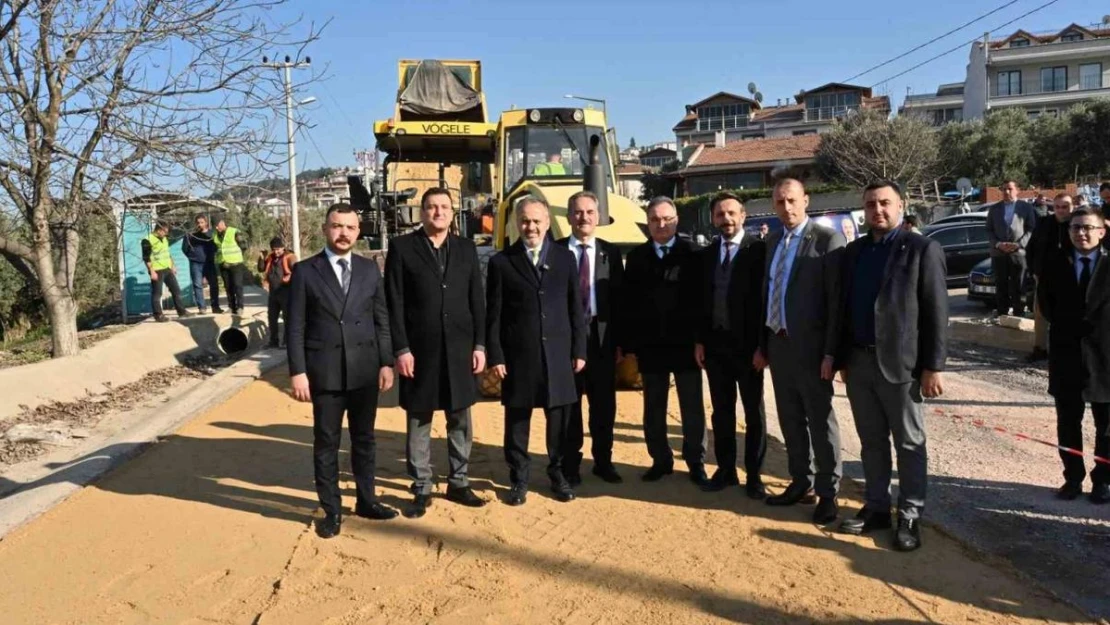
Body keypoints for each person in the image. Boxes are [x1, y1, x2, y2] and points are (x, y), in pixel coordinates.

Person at [835, 180, 948, 552]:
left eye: (885, 203)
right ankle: (878, 507)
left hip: (902, 367)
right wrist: (839, 358)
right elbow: (844, 309)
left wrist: (933, 367)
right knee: (871, 443)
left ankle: (911, 515)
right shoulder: (854, 252)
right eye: (870, 204)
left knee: (910, 443)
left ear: (901, 205)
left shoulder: (922, 249)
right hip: (859, 362)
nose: (877, 210)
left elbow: (936, 313)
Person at [286, 203, 397, 539]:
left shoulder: (368, 269)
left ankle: (366, 500)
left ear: (358, 232)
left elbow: (382, 320)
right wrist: (298, 371)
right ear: (325, 229)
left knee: (364, 440)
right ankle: (332, 510)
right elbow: (295, 326)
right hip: (325, 372)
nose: (343, 233)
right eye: (337, 226)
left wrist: (386, 362)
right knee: (327, 442)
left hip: (364, 370)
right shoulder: (306, 271)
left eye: (350, 227)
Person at [384, 188, 488, 518]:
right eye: (431, 207)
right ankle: (421, 487)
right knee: (419, 419)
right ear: (422, 212)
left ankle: (459, 482)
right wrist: (401, 349)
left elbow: (477, 301)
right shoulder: (402, 248)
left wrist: (480, 345)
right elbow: (394, 303)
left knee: (460, 418)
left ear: (452, 212)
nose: (438, 212)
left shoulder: (466, 248)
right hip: (419, 352)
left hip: (460, 349)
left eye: (444, 207)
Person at [486, 196, 587, 505]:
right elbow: (494, 315)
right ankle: (519, 478)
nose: (531, 226)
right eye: (525, 221)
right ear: (518, 223)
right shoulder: (501, 262)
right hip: (519, 357)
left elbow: (576, 309)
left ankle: (557, 474)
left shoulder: (565, 258)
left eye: (536, 221)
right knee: (518, 422)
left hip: (558, 354)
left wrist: (579, 350)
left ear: (547, 223)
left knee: (559, 421)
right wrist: (496, 355)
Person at [754, 178, 843, 524]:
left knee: (820, 422)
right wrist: (763, 346)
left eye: (792, 200)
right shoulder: (773, 240)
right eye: (779, 202)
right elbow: (767, 294)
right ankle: (800, 481)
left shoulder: (826, 240)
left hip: (813, 349)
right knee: (790, 419)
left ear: (805, 200)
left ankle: (828, 492)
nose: (786, 208)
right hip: (779, 345)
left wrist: (831, 353)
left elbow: (836, 302)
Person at [624, 196, 709, 487]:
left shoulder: (694, 253)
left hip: (686, 345)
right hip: (651, 346)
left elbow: (703, 303)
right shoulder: (636, 258)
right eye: (655, 220)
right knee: (654, 406)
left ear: (676, 220)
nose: (661, 224)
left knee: (692, 406)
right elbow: (630, 305)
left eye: (667, 219)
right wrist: (631, 345)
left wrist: (701, 340)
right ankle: (660, 460)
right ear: (647, 223)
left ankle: (696, 461)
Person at [693, 192, 767, 498]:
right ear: (713, 219)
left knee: (753, 414)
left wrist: (763, 346)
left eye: (732, 213)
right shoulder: (707, 254)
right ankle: (726, 470)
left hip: (749, 349)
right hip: (715, 347)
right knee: (721, 412)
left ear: (743, 216)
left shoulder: (759, 251)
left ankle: (754, 475)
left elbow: (766, 302)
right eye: (720, 214)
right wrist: (699, 340)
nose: (726, 219)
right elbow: (700, 301)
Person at [1039, 207, 1110, 505]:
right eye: (1075, 228)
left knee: (1106, 426)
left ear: (1102, 231)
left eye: (1088, 228)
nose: (1081, 233)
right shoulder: (1056, 263)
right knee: (1068, 423)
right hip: (1067, 355)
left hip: (1106, 357)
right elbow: (1046, 304)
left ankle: (1103, 482)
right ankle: (1072, 478)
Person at [558, 191, 625, 485]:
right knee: (570, 405)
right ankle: (570, 465)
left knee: (603, 405)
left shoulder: (610, 253)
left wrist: (621, 342)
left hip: (601, 340)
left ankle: (603, 461)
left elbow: (620, 301)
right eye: (577, 212)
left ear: (598, 217)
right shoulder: (555, 251)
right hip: (566, 340)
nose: (583, 217)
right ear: (569, 216)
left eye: (589, 212)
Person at [1026, 193, 1075, 363]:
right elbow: (1031, 248)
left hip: (1071, 280)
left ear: (1072, 207)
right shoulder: (1044, 223)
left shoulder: (1078, 224)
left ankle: (1066, 351)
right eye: (1058, 207)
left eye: (1065, 206)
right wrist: (1033, 270)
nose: (1061, 210)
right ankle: (1040, 349)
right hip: (1044, 278)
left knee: (1067, 316)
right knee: (1040, 315)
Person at [986, 180, 1037, 317]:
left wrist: (1019, 244)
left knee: (1019, 285)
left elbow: (1031, 228)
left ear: (1017, 190)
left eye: (1009, 189)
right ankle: (1002, 314)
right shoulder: (994, 208)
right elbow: (989, 230)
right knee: (1001, 285)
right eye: (1003, 189)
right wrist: (998, 244)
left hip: (1018, 252)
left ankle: (1018, 313)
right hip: (999, 253)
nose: (1006, 192)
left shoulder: (1026, 207)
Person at [142, 221, 191, 322]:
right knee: (157, 293)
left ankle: (181, 311)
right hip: (157, 270)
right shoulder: (147, 240)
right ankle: (158, 315)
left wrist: (173, 266)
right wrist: (151, 271)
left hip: (167, 268)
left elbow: (167, 253)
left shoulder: (164, 239)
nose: (166, 233)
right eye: (164, 231)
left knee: (176, 290)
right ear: (159, 230)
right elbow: (146, 258)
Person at [257, 237, 296, 348]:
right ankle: (273, 341)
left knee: (287, 318)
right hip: (273, 293)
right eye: (274, 249)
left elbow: (297, 271)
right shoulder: (270, 257)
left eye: (278, 249)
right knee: (272, 318)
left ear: (283, 247)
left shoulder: (290, 257)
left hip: (286, 291)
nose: (276, 251)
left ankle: (286, 342)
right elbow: (261, 269)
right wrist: (261, 258)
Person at [182, 214, 221, 314]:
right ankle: (202, 308)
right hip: (196, 263)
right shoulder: (191, 235)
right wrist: (192, 256)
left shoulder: (212, 234)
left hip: (209, 263)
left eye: (202, 222)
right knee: (197, 285)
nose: (199, 224)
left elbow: (217, 246)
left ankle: (215, 307)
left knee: (214, 285)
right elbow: (184, 248)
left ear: (206, 223)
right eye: (198, 223)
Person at [214, 218, 248, 315]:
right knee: (228, 287)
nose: (217, 228)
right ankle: (231, 307)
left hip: (235, 264)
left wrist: (238, 256)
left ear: (222, 222)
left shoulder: (234, 232)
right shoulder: (215, 235)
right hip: (223, 264)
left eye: (218, 225)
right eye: (215, 226)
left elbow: (244, 246)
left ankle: (240, 307)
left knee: (238, 285)